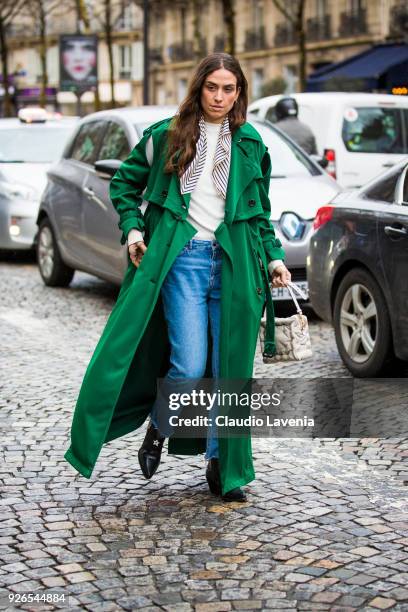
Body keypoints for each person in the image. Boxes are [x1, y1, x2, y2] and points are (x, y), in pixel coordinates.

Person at [64, 53, 291, 502]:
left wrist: (274, 258)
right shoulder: (165, 136)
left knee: (229, 371)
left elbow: (259, 214)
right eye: (213, 88)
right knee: (189, 366)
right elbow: (124, 185)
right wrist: (132, 228)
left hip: (235, 265)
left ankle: (220, 465)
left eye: (230, 89)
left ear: (240, 93)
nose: (220, 97)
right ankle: (160, 426)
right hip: (182, 260)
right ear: (199, 88)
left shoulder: (250, 146)